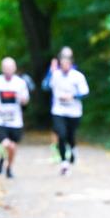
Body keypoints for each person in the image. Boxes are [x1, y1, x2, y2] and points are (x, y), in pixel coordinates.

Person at [45, 47, 89, 175]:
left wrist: (73, 96)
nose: (64, 65)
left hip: (74, 112)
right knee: (61, 135)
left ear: (71, 63)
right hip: (58, 111)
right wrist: (50, 72)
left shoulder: (78, 76)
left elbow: (85, 92)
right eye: (62, 63)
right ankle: (64, 163)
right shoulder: (55, 74)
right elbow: (46, 86)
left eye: (67, 63)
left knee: (70, 135)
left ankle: (73, 150)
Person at [0, 57, 31, 179]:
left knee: (13, 145)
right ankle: (5, 163)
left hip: (15, 120)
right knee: (7, 144)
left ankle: (8, 166)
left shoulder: (20, 83)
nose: (8, 70)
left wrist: (23, 100)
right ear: (2, 68)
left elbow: (25, 100)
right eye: (6, 67)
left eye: (10, 67)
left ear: (15, 68)